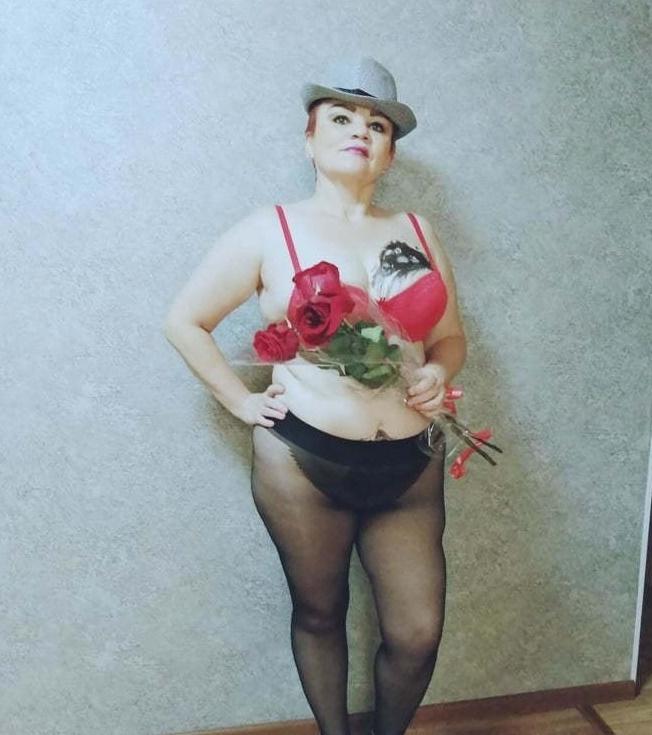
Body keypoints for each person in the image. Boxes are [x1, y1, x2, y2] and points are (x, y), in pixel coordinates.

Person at [164, 56, 467, 735]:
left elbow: (450, 340)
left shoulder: (418, 231)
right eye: (341, 117)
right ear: (310, 138)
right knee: (320, 613)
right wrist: (240, 402)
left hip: (409, 465)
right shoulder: (269, 228)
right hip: (303, 463)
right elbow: (184, 320)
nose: (360, 130)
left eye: (377, 124)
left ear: (389, 152)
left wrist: (437, 372)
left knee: (417, 632)